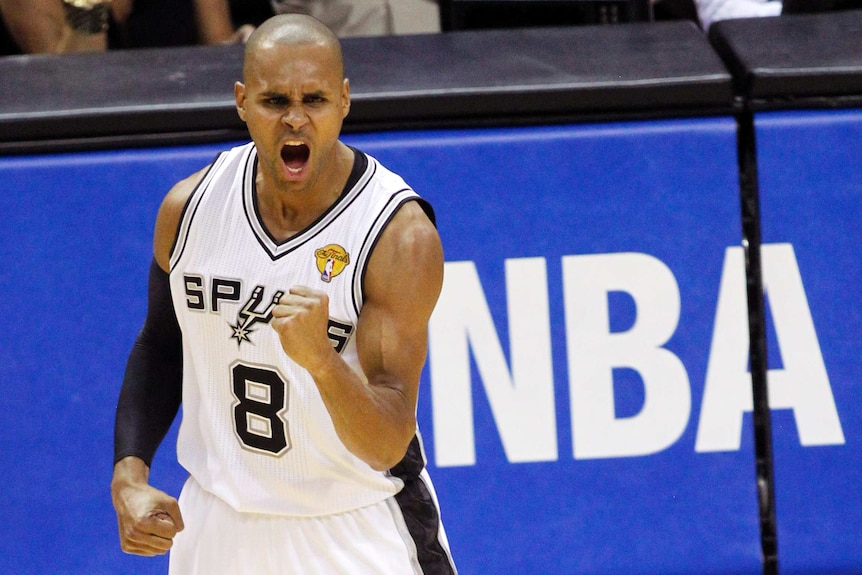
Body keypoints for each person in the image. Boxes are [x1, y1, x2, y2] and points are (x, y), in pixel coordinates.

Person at [110, 13, 457, 575]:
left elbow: (388, 442)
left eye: (314, 100)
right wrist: (129, 475)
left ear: (344, 101)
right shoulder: (189, 211)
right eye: (275, 101)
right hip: (218, 525)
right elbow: (161, 347)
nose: (295, 120)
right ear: (242, 101)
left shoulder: (398, 236)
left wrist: (323, 362)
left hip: (351, 526)